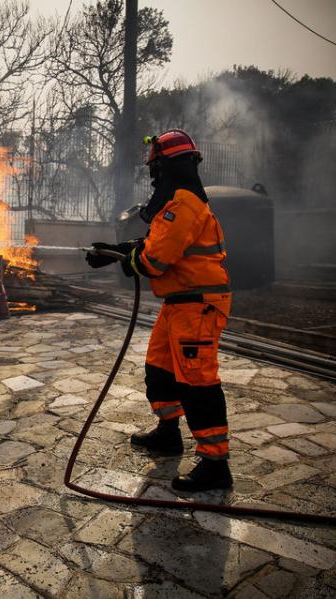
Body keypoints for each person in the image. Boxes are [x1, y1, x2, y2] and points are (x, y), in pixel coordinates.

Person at [86, 129, 233, 492]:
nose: (153, 176)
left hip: (198, 305)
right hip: (180, 303)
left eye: (155, 168)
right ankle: (168, 433)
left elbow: (154, 260)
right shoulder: (178, 204)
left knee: (197, 381)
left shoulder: (183, 205)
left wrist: (124, 259)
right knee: (159, 368)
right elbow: (158, 243)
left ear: (168, 167)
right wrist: (115, 250)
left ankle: (216, 463)